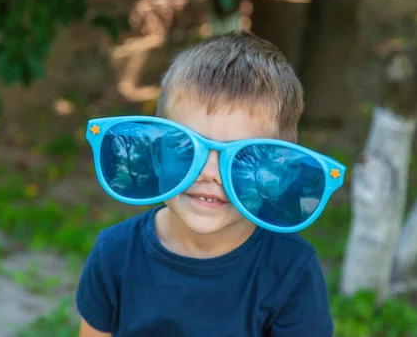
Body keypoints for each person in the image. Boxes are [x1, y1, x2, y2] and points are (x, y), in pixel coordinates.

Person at [76, 30, 334, 337]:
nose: (209, 172)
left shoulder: (291, 272)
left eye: (243, 157)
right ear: (157, 157)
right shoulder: (114, 253)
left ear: (276, 176)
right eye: (186, 147)